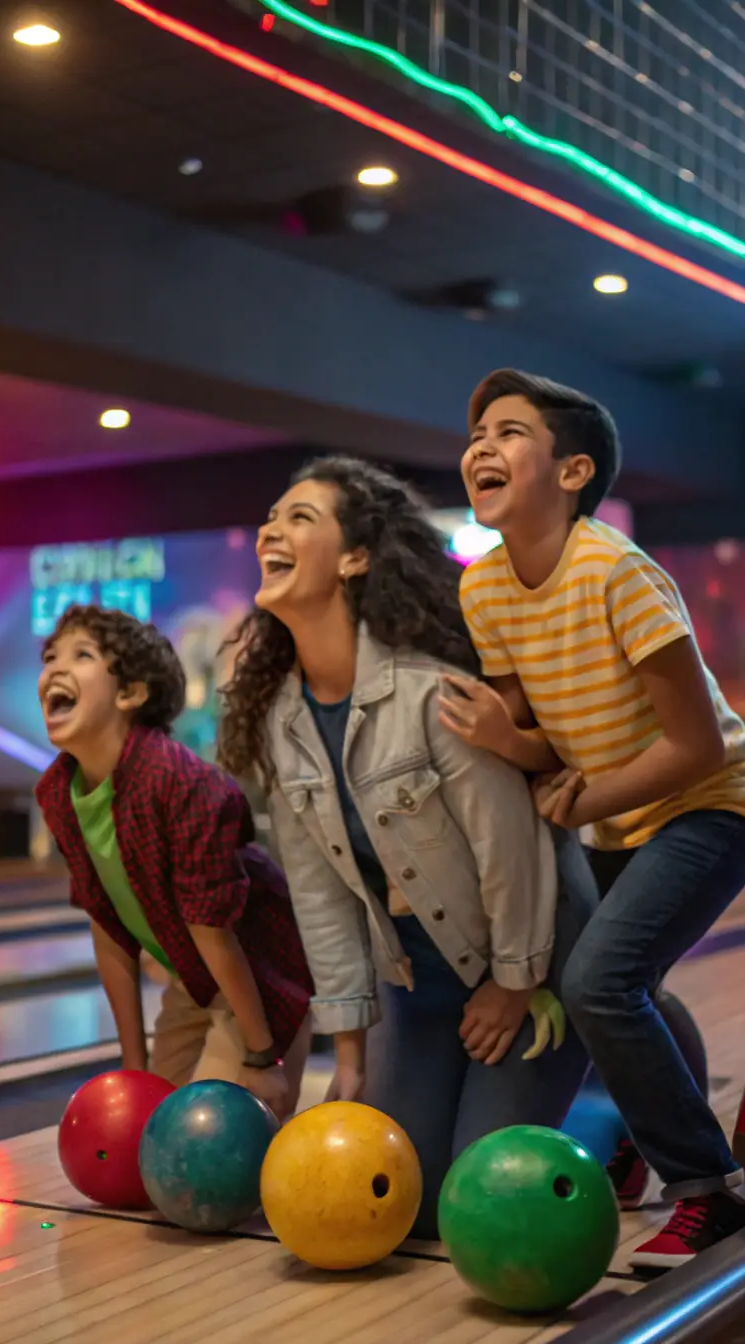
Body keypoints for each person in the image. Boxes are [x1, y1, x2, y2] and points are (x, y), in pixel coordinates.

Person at [444, 370, 745, 1269]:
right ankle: (650, 1131)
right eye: (475, 433)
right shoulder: (484, 592)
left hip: (713, 804)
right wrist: (500, 738)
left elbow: (700, 747)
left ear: (571, 470)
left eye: (509, 431)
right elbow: (541, 743)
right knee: (630, 984)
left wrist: (584, 798)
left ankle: (714, 1191)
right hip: (619, 823)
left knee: (600, 980)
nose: (480, 444)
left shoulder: (617, 572)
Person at [218, 455, 596, 1239]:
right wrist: (347, 1054)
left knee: (482, 1203)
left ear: (355, 557)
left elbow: (516, 848)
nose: (270, 529)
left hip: (531, 958)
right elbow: (320, 896)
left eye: (300, 517)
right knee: (408, 1206)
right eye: (270, 516)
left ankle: (619, 1087)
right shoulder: (283, 722)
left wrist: (514, 983)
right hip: (418, 982)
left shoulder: (431, 692)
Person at [35, 605, 313, 1120]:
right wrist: (134, 1071)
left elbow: (211, 929)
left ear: (131, 694)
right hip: (194, 980)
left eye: (82, 655)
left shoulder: (178, 782)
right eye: (50, 656)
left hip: (261, 974)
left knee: (210, 1148)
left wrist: (262, 1054)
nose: (54, 667)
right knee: (149, 1136)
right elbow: (107, 924)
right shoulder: (59, 793)